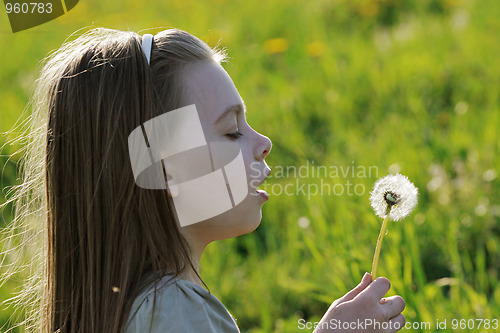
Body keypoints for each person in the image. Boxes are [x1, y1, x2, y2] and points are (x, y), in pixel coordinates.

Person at [1, 28, 405, 332]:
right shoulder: (172, 314)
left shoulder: (132, 309)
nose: (264, 143)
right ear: (161, 166)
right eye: (231, 130)